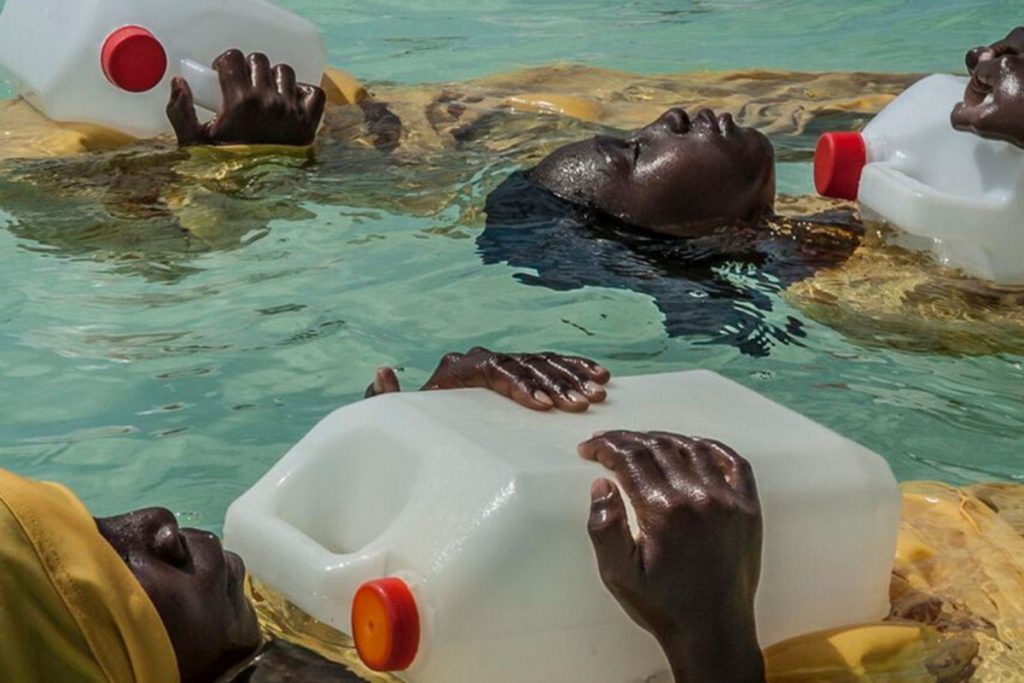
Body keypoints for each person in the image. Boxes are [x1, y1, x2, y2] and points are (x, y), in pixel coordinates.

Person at [0, 347, 610, 683]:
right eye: (107, 568)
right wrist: (672, 622)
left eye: (94, 521)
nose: (157, 523)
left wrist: (403, 459)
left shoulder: (226, 638)